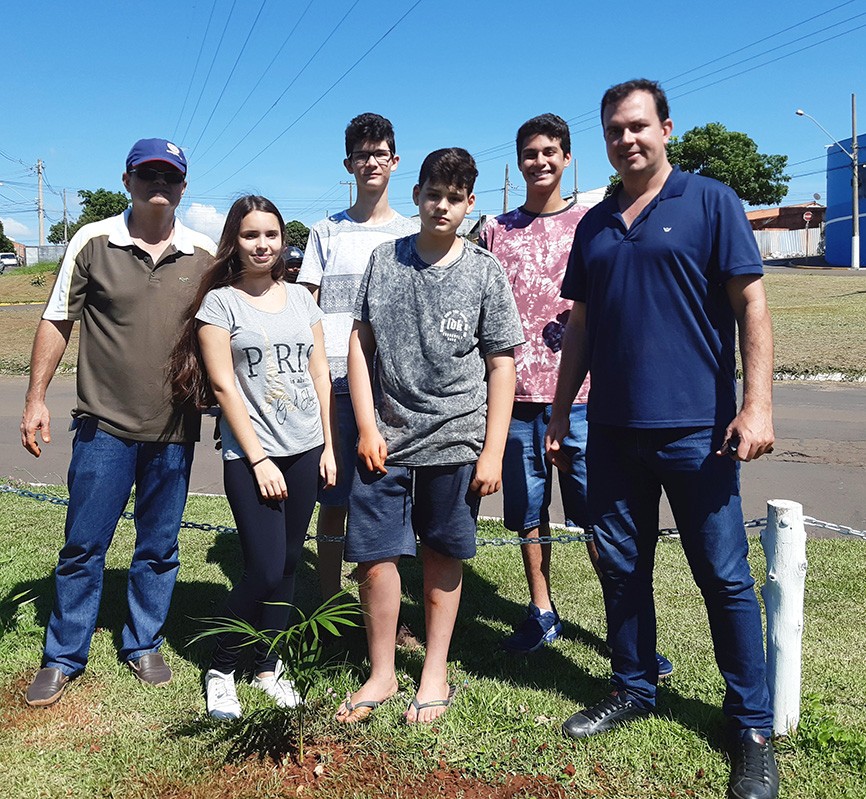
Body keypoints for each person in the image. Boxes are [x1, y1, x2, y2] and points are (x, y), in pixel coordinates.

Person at [546, 80, 778, 799]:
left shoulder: (711, 202)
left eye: (639, 126)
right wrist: (559, 416)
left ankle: (753, 725)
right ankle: (634, 685)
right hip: (612, 430)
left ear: (667, 129)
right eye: (615, 130)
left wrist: (758, 404)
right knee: (621, 567)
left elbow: (751, 303)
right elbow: (579, 327)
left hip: (699, 433)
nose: (628, 139)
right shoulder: (595, 222)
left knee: (724, 577)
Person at [20, 138, 216, 707]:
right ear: (127, 180)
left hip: (174, 431)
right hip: (102, 427)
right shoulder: (93, 240)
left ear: (183, 186)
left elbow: (225, 333)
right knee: (83, 546)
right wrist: (35, 398)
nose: (160, 185)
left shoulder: (204, 253)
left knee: (159, 546)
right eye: (147, 174)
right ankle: (63, 655)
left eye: (170, 176)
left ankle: (143, 641)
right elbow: (57, 319)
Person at [478, 114, 674, 674]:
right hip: (513, 401)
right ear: (517, 163)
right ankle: (541, 610)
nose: (539, 162)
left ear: (567, 159)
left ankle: (625, 632)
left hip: (587, 399)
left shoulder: (594, 222)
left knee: (600, 518)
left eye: (549, 152)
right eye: (529, 154)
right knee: (528, 515)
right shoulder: (496, 230)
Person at [336, 148, 524, 724]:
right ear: (417, 195)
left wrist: (491, 451)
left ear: (470, 204)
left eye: (455, 197)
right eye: (433, 194)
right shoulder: (382, 261)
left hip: (456, 439)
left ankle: (435, 667)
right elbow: (359, 346)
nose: (442, 206)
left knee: (443, 554)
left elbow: (501, 365)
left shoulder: (484, 271)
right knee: (373, 558)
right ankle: (382, 671)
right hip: (385, 441)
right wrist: (366, 426)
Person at [169, 196, 337, 720]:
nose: (262, 245)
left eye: (271, 234)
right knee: (263, 568)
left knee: (288, 564)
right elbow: (223, 385)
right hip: (253, 456)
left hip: (307, 448)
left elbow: (317, 376)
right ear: (234, 242)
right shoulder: (221, 304)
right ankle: (222, 666)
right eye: (250, 235)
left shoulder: (303, 301)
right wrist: (259, 459)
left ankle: (267, 662)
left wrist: (329, 445)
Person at [297, 112, 418, 603]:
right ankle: (328, 603)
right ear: (348, 164)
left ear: (395, 160)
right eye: (362, 154)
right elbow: (305, 307)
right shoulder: (326, 232)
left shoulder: (413, 232)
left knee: (390, 501)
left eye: (380, 152)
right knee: (335, 498)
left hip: (396, 389)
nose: (371, 161)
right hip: (338, 385)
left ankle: (385, 609)